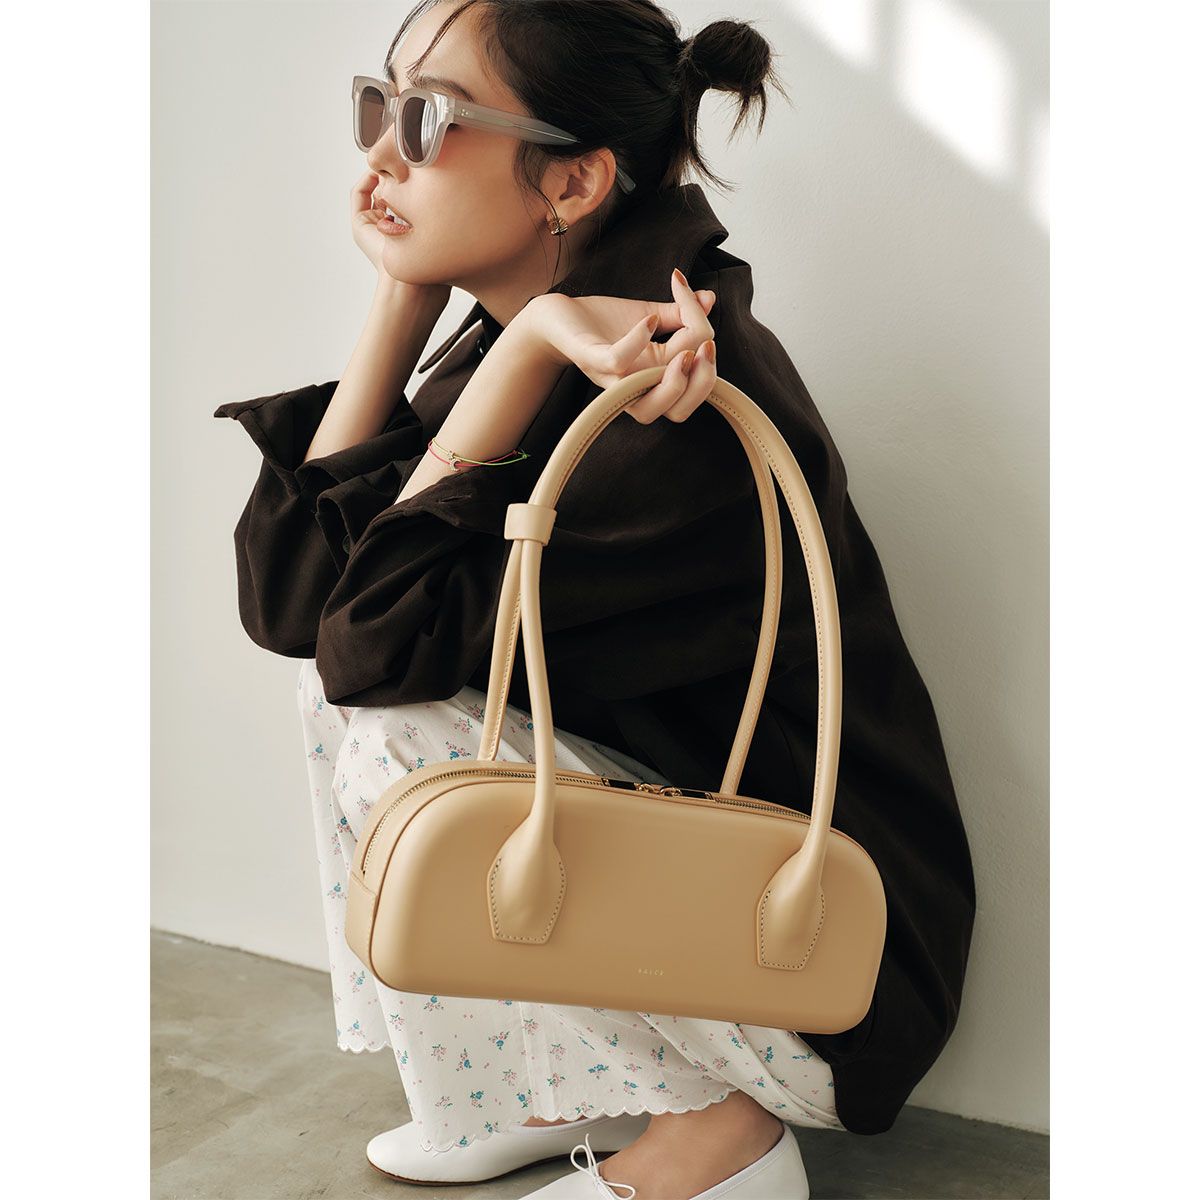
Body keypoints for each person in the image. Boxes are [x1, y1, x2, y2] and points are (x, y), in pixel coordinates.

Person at [213, 2, 977, 1197]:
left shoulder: (673, 400)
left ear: (572, 182)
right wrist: (405, 300)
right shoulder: (550, 324)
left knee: (399, 729)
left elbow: (370, 648)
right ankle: (563, 1088)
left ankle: (721, 1137)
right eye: (380, 103)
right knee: (368, 701)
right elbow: (297, 605)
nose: (381, 155)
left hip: (821, 970)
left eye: (429, 119)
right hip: (710, 900)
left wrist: (525, 349)